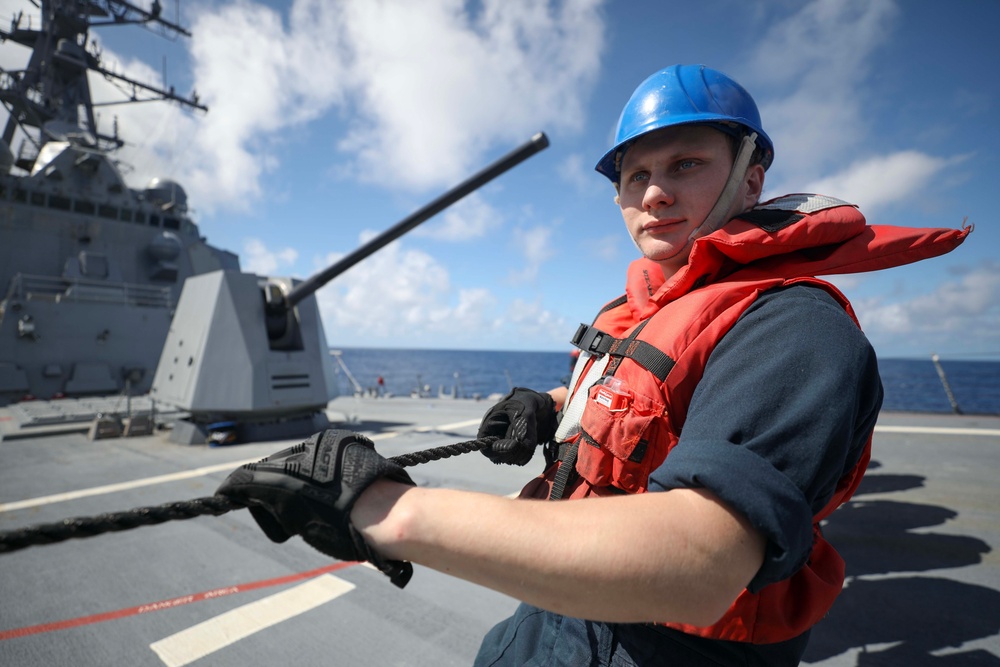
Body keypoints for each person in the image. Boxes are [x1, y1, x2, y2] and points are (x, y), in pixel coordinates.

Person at [217, 65, 969, 665]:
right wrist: (549, 402)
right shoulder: (641, 304)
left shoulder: (795, 326)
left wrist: (388, 510)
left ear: (750, 177)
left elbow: (703, 561)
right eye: (632, 175)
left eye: (685, 163)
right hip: (563, 617)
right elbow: (650, 393)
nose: (653, 192)